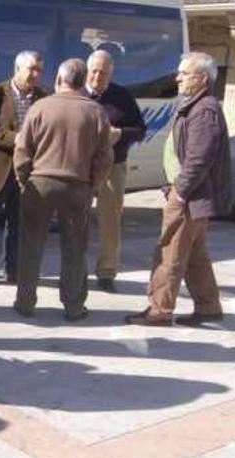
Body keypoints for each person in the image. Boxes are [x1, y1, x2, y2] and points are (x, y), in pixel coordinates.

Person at [125, 52, 232, 327]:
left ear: (201, 79)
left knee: (169, 253)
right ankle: (208, 307)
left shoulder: (204, 110)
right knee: (195, 255)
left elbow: (199, 158)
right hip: (187, 192)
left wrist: (181, 191)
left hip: (189, 195)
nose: (177, 78)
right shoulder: (196, 105)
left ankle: (159, 310)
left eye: (184, 73)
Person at [13, 58, 113, 321]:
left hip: (40, 182)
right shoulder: (95, 112)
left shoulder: (40, 107)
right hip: (77, 186)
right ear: (83, 81)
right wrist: (93, 184)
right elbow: (104, 158)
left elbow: (22, 150)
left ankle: (25, 302)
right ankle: (73, 306)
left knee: (31, 244)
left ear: (59, 79)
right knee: (75, 247)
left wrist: (24, 181)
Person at [0, 51, 47, 289]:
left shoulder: (43, 97)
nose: (35, 74)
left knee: (18, 224)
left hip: (27, 172)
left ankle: (13, 269)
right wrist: (15, 139)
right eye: (31, 69)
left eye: (39, 70)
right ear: (17, 69)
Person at [86, 50, 147, 293]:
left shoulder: (122, 96)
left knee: (110, 222)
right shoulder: (76, 94)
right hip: (80, 167)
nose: (98, 76)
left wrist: (120, 134)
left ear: (111, 74)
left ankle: (106, 273)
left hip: (113, 165)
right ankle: (74, 270)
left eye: (103, 72)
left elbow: (140, 130)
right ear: (87, 71)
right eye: (94, 71)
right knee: (75, 220)